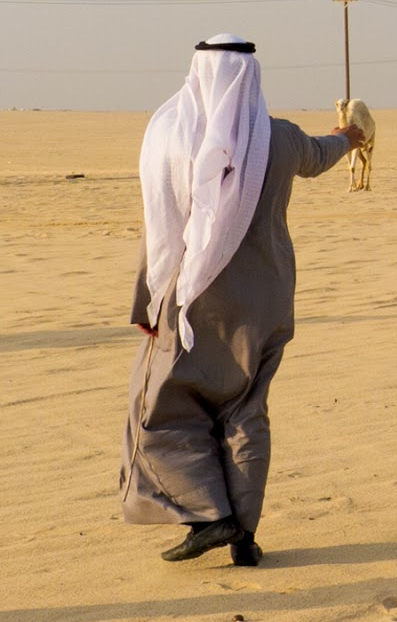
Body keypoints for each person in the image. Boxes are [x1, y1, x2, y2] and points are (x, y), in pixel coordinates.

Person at [121, 33, 366, 566]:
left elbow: (158, 230)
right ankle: (245, 538)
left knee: (165, 409)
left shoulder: (171, 137)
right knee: (246, 410)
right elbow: (323, 155)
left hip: (194, 298)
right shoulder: (279, 138)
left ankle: (208, 516)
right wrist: (350, 136)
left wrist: (147, 302)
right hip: (270, 297)